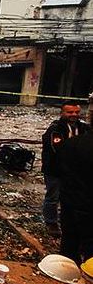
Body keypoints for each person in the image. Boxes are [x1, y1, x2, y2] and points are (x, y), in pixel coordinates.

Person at [41, 100, 90, 235]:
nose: (74, 115)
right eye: (70, 112)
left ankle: (69, 222)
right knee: (53, 196)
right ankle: (51, 222)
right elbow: (56, 149)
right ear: (62, 113)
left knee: (73, 197)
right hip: (55, 171)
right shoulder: (55, 129)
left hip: (76, 173)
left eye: (76, 112)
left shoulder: (84, 129)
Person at [55, 113, 93, 264]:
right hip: (87, 207)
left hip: (71, 203)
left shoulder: (72, 144)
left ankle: (66, 274)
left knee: (69, 245)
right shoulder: (58, 131)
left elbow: (60, 170)